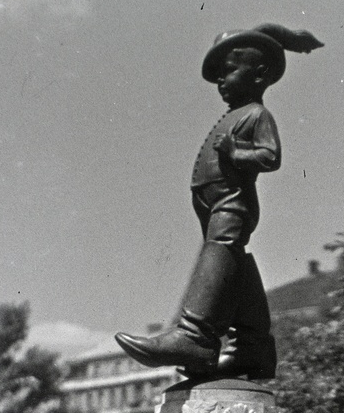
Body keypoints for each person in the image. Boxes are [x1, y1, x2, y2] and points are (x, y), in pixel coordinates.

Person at [116, 22, 323, 384]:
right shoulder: (237, 113)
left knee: (222, 251)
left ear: (259, 75)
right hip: (213, 205)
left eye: (229, 70)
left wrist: (237, 152)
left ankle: (194, 336)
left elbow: (270, 157)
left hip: (234, 202)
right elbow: (264, 34)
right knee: (234, 265)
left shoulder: (257, 115)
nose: (221, 82)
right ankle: (253, 350)